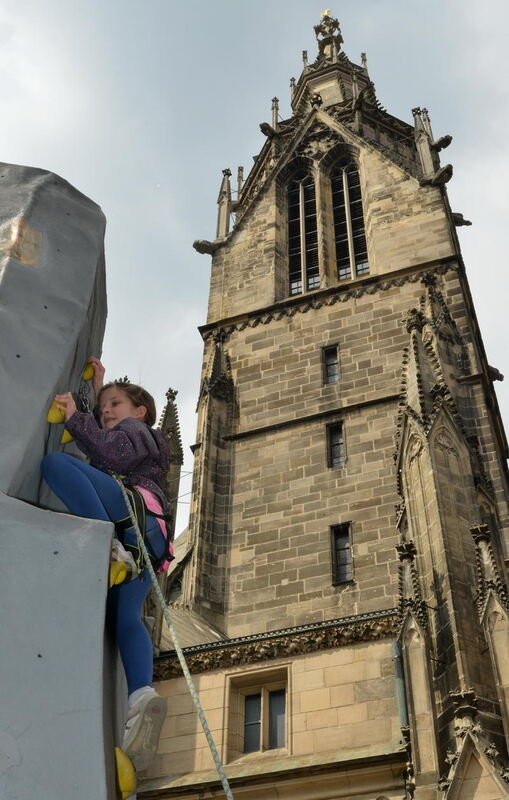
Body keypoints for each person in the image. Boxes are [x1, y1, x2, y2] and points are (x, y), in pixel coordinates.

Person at [41, 358, 172, 772]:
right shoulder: (137, 434)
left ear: (140, 412)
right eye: (103, 408)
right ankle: (140, 698)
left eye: (114, 404)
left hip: (133, 515)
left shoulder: (136, 431)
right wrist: (99, 387)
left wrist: (77, 417)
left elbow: (109, 454)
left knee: (57, 465)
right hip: (150, 545)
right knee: (125, 617)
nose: (107, 411)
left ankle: (107, 546)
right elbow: (104, 444)